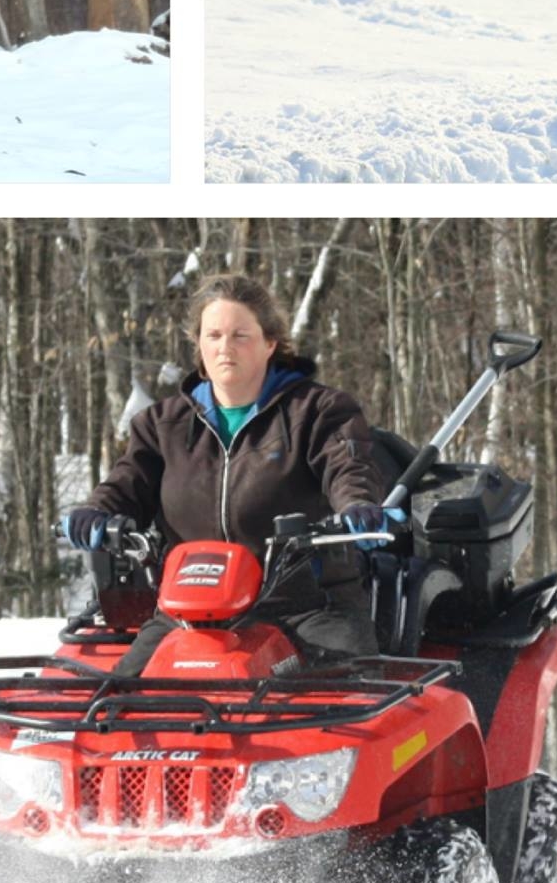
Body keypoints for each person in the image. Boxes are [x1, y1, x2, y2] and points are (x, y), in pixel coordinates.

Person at [61, 272, 395, 668]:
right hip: (187, 616)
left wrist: (357, 505)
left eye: (240, 335)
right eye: (213, 335)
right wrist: (96, 512)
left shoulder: (318, 412)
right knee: (117, 706)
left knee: (347, 712)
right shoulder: (161, 425)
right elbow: (126, 483)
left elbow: (347, 466)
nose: (225, 348)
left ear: (270, 342)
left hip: (305, 608)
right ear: (198, 343)